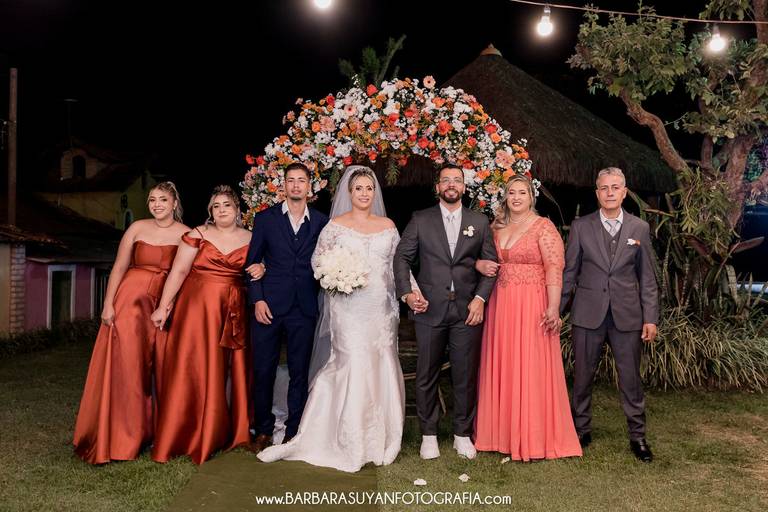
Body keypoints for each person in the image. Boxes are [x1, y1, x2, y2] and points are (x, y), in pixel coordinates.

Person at [257, 165, 405, 472]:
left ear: (374, 193)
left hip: (380, 309)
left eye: (368, 188)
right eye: (358, 188)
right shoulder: (335, 225)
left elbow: (397, 266)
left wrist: (410, 292)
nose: (364, 193)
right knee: (351, 362)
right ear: (349, 192)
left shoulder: (389, 226)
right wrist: (336, 277)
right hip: (348, 307)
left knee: (379, 363)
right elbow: (318, 261)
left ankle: (378, 437)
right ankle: (343, 439)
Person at [73, 182, 187, 464]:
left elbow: (186, 273)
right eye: (152, 199)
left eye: (163, 199)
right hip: (128, 303)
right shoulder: (136, 228)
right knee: (127, 367)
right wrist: (108, 303)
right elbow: (119, 267)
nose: (157, 204)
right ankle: (122, 435)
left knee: (163, 367)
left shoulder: (186, 234)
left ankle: (159, 431)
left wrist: (169, 305)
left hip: (163, 306)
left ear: (174, 203)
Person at [473, 175, 582, 461]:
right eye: (512, 192)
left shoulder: (543, 227)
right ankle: (499, 434)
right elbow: (481, 258)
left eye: (522, 192)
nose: (517, 197)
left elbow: (554, 268)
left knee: (530, 364)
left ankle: (532, 436)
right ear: (506, 196)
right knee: (504, 362)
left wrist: (553, 307)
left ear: (531, 197)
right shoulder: (496, 227)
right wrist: (479, 263)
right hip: (500, 305)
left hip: (532, 304)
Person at [394, 164, 497, 460]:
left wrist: (480, 299)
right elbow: (402, 258)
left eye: (457, 180)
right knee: (426, 374)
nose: (451, 184)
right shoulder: (421, 219)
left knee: (464, 375)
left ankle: (461, 434)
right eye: (446, 180)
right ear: (437, 187)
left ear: (464, 187)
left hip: (467, 311)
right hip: (429, 309)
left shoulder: (479, 221)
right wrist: (408, 293)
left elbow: (490, 265)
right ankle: (429, 435)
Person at [560, 167, 659, 463]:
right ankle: (581, 430)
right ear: (597, 193)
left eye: (615, 187)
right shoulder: (581, 226)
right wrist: (556, 310)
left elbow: (648, 278)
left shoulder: (639, 228)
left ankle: (638, 436)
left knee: (631, 378)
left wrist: (650, 318)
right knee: (582, 376)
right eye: (604, 188)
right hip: (587, 314)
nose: (610, 193)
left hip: (627, 315)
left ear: (624, 192)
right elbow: (570, 273)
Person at [150, 185, 252, 465]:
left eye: (227, 205)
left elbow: (259, 270)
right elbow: (179, 271)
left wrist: (262, 268)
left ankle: (222, 430)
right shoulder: (197, 235)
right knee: (192, 365)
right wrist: (163, 306)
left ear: (237, 209)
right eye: (216, 206)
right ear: (210, 212)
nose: (221, 210)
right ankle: (186, 431)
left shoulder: (252, 238)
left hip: (232, 310)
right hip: (196, 310)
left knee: (227, 369)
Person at [245, 162, 329, 453]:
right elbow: (252, 263)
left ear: (310, 187)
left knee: (299, 372)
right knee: (263, 370)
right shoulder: (266, 219)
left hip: (303, 308)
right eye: (291, 180)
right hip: (268, 306)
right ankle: (263, 430)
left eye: (301, 180)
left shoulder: (321, 222)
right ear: (283, 185)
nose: (295, 185)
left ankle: (294, 430)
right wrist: (257, 299)